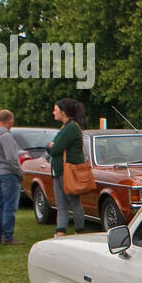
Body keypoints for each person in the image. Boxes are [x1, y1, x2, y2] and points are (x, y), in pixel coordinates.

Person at [47, 98, 86, 237]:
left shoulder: (72, 128)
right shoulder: (65, 127)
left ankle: (79, 230)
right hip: (58, 171)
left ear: (63, 112)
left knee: (73, 202)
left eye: (55, 110)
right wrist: (51, 146)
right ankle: (60, 230)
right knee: (60, 203)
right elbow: (54, 148)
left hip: (68, 172)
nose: (53, 113)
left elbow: (56, 148)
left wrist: (51, 146)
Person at [0, 109, 23, 245]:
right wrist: (19, 172)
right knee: (10, 206)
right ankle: (7, 236)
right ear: (9, 120)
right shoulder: (6, 136)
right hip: (7, 173)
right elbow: (11, 158)